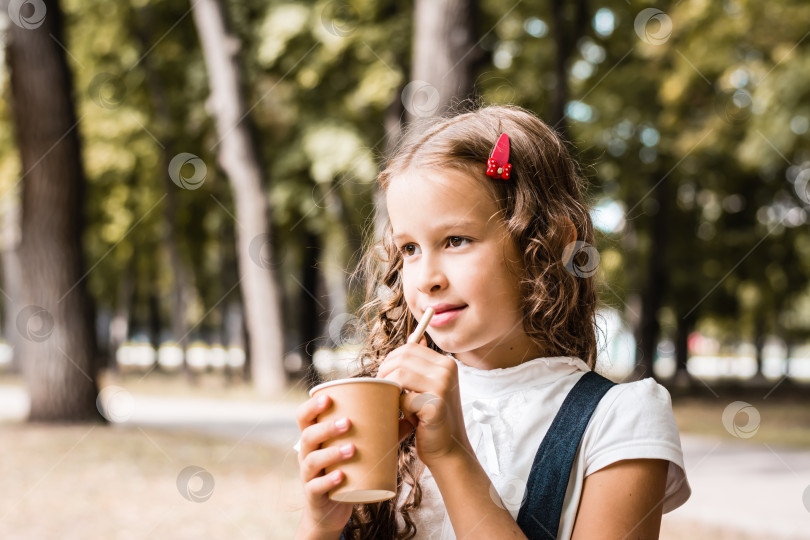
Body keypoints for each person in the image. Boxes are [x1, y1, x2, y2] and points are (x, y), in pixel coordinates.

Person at [293, 104, 691, 539]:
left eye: (456, 240)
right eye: (409, 249)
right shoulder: (387, 409)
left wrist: (451, 454)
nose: (427, 278)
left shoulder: (620, 421)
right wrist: (320, 527)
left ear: (548, 243)